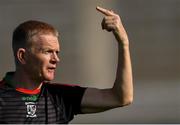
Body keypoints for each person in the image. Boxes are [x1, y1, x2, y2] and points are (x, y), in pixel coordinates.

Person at [0, 6, 133, 123]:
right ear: (22, 56)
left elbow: (120, 98)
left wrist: (124, 43)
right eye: (47, 52)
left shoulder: (60, 96)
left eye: (57, 52)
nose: (56, 59)